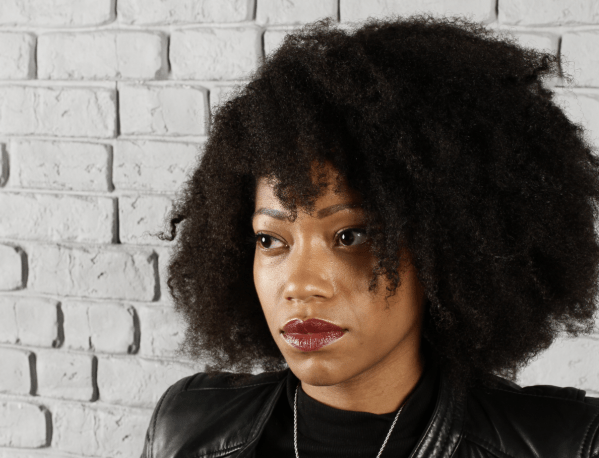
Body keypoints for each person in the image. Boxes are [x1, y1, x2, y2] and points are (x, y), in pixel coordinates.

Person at [141, 15, 599, 458]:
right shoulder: (188, 429)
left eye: (350, 236)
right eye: (270, 241)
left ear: (445, 251)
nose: (300, 286)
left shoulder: (567, 446)